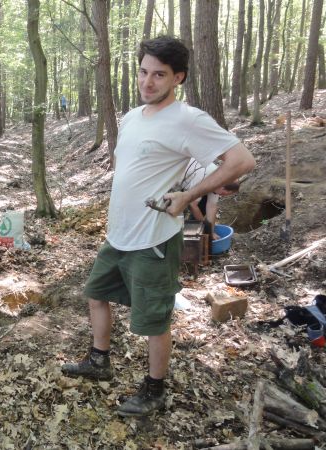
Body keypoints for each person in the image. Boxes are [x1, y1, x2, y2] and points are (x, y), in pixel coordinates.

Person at [61, 36, 255, 417]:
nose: (147, 82)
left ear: (178, 78)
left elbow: (241, 161)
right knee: (96, 295)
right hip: (118, 235)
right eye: (143, 72)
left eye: (159, 75)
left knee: (153, 319)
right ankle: (99, 361)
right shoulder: (133, 116)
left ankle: (155, 390)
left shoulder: (188, 119)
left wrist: (187, 196)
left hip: (152, 240)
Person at [182, 159, 240, 239]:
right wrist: (206, 228)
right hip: (176, 178)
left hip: (193, 180)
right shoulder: (203, 178)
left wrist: (211, 231)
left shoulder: (219, 181)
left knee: (205, 202)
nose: (222, 196)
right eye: (223, 194)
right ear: (222, 187)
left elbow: (212, 206)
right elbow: (192, 205)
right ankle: (188, 230)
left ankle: (195, 229)